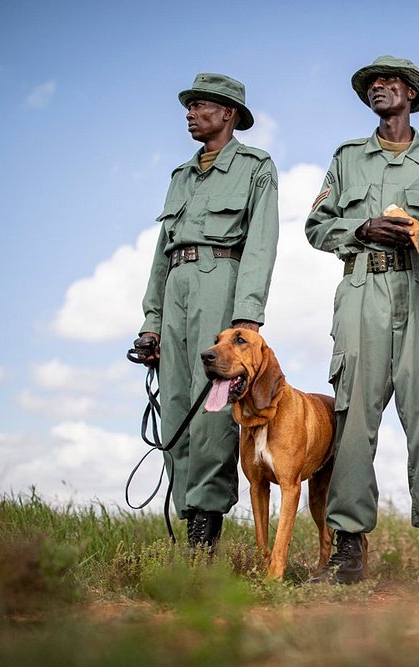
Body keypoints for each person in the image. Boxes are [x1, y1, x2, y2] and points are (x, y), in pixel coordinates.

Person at [305, 55, 419, 588]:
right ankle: (348, 554)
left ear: (411, 94)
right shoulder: (347, 158)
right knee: (354, 418)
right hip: (361, 289)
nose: (379, 88)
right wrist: (361, 229)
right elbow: (317, 226)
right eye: (371, 84)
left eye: (389, 82)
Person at [136, 73, 279, 550]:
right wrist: (151, 323)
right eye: (189, 107)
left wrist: (246, 318)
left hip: (222, 284)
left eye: (201, 106)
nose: (191, 114)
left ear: (228, 114)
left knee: (213, 411)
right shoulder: (180, 177)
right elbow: (161, 253)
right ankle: (189, 516)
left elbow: (260, 243)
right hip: (175, 286)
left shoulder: (256, 167)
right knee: (176, 406)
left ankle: (205, 530)